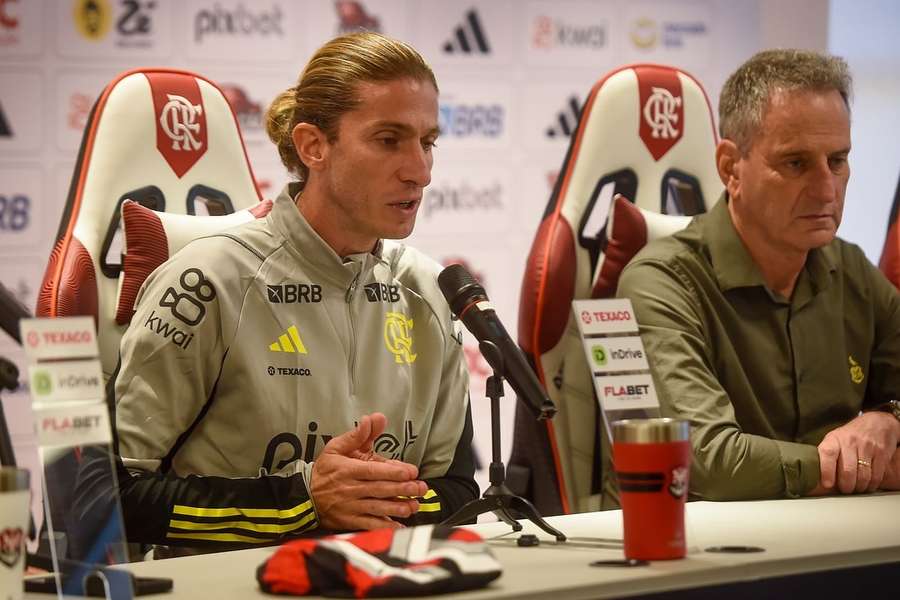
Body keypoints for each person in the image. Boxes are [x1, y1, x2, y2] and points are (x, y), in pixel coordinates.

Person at [108, 32, 477, 550]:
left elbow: (460, 492)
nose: (420, 171)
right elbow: (108, 496)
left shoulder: (429, 291)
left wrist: (365, 498)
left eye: (427, 142)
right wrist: (303, 503)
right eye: (388, 139)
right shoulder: (209, 281)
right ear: (313, 146)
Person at [617, 49, 900, 501]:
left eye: (838, 161)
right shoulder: (660, 283)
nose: (827, 188)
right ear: (731, 168)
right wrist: (862, 469)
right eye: (796, 163)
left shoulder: (851, 271)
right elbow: (708, 461)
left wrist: (888, 418)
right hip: (705, 558)